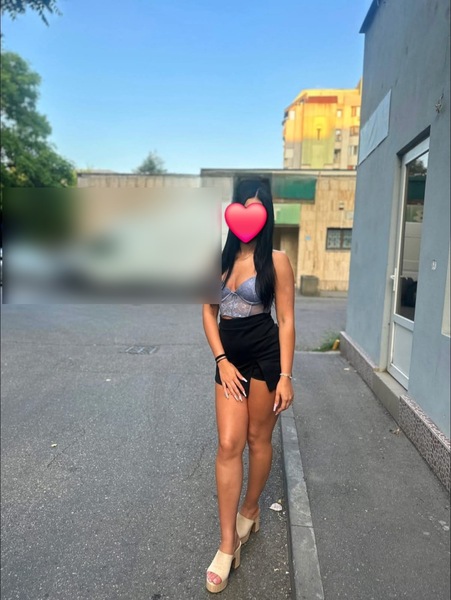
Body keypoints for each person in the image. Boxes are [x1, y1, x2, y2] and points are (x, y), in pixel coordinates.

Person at [202, 177, 295, 593]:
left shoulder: (276, 260)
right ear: (233, 212)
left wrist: (286, 376)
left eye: (259, 207)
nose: (251, 215)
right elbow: (208, 312)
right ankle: (228, 544)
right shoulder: (216, 260)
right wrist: (221, 360)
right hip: (230, 360)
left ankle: (252, 509)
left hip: (264, 356)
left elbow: (286, 321)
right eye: (245, 205)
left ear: (266, 215)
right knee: (228, 444)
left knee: (258, 439)